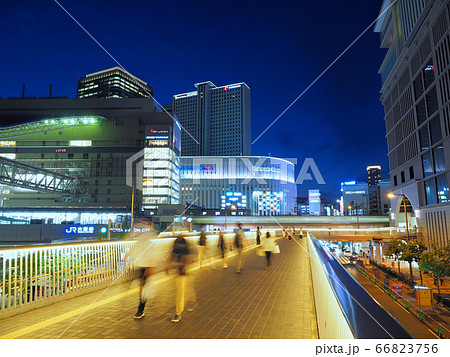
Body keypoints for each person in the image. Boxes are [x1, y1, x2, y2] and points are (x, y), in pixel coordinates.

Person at [123, 225, 160, 319]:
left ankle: (140, 310)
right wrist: (126, 257)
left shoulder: (148, 243)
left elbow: (151, 256)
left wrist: (148, 269)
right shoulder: (141, 242)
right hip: (139, 266)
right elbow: (132, 250)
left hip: (145, 268)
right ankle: (141, 306)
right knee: (142, 288)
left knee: (143, 289)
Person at [167, 234, 192, 323]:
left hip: (181, 270)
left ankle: (178, 312)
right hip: (179, 269)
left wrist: (170, 265)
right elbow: (174, 254)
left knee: (180, 291)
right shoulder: (180, 241)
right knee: (180, 290)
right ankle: (188, 300)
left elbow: (184, 256)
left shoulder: (180, 241)